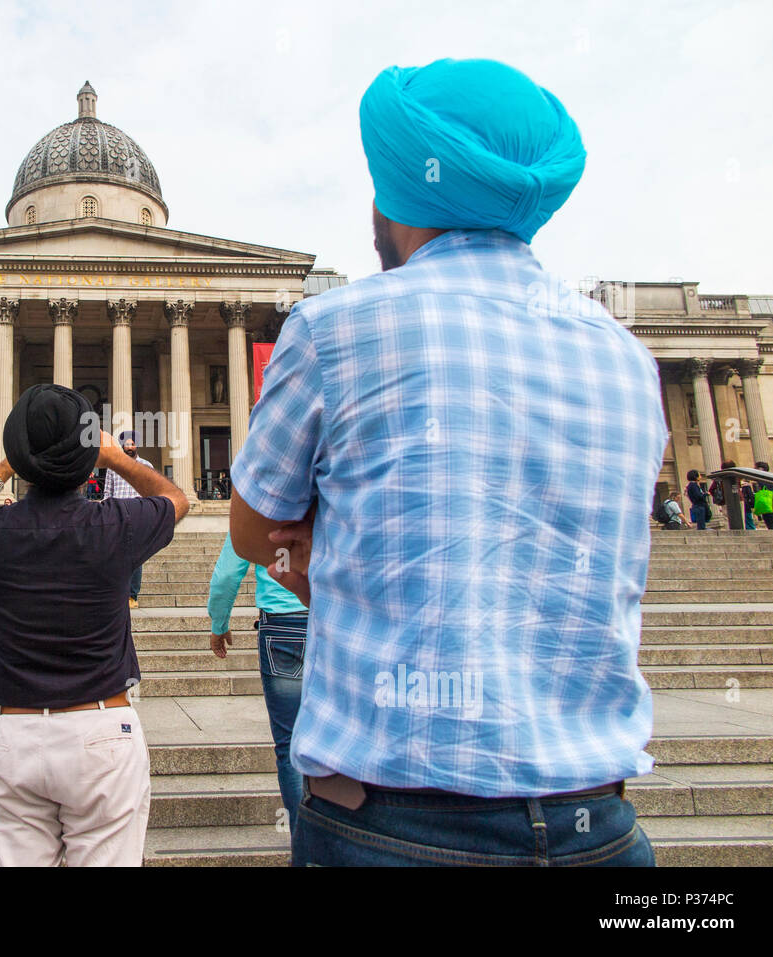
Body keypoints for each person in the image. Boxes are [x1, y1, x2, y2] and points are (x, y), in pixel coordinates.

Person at [229, 58, 664, 867]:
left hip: (393, 828)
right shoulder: (627, 357)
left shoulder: (334, 328)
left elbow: (254, 531)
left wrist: (326, 558)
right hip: (600, 829)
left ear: (395, 194)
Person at [0, 384, 189, 866]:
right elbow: (176, 500)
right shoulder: (116, 526)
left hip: (12, 735)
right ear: (87, 458)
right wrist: (115, 458)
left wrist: (6, 465)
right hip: (100, 732)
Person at [208, 533, 308, 828]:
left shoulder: (262, 499)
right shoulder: (331, 491)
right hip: (334, 618)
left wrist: (219, 623)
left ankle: (304, 846)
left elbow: (227, 573)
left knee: (291, 745)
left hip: (283, 623)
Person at [102, 431, 156, 608]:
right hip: (117, 513)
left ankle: (132, 595)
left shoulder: (146, 465)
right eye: (127, 444)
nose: (130, 447)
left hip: (138, 512)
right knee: (116, 554)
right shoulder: (113, 467)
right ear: (122, 446)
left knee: (135, 557)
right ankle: (118, 593)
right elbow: (107, 493)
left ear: (137, 446)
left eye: (132, 444)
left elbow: (152, 490)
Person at [753, 461, 773, 530]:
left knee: (772, 519)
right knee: (768, 519)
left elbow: (765, 487)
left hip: (769, 500)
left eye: (755, 468)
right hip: (767, 500)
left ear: (760, 469)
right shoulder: (764, 477)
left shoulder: (766, 477)